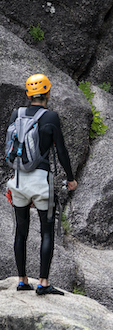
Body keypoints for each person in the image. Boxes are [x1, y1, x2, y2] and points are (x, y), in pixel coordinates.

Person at [7, 74, 77, 295]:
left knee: (21, 232)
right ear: (47, 93)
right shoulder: (51, 117)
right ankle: (44, 283)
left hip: (18, 179)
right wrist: (70, 178)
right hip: (41, 181)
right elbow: (62, 151)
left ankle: (21, 280)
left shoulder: (16, 114)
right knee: (47, 233)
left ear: (29, 94)